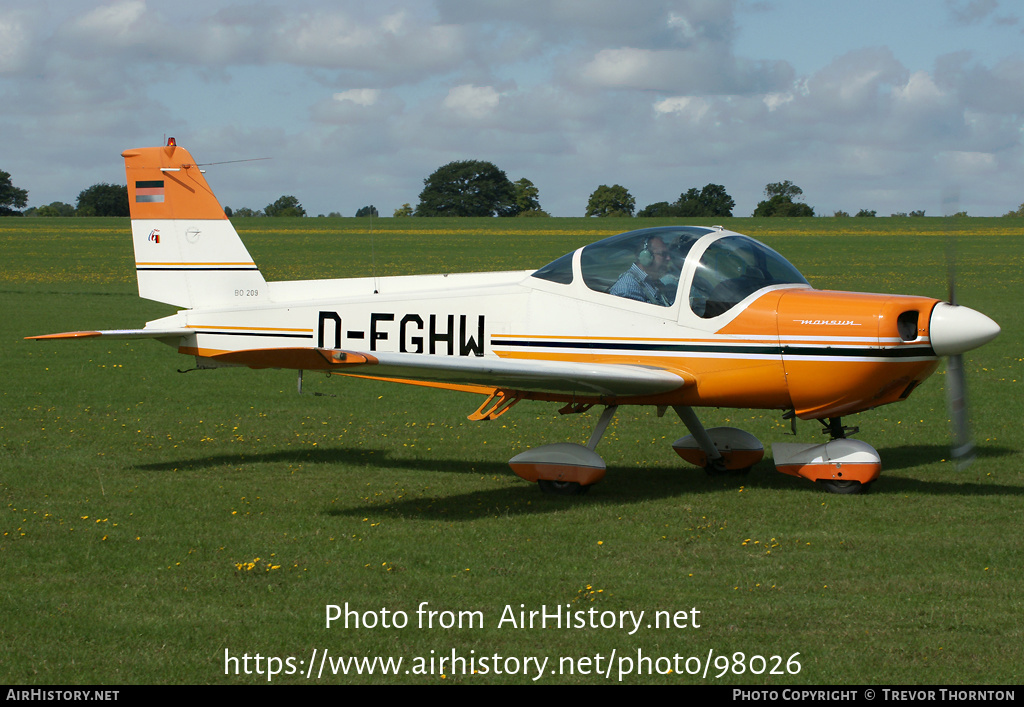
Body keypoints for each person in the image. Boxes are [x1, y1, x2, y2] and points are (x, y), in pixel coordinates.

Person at [608, 236, 672, 305]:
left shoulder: (652, 282)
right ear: (646, 257)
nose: (668, 258)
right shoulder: (628, 288)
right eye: (663, 254)